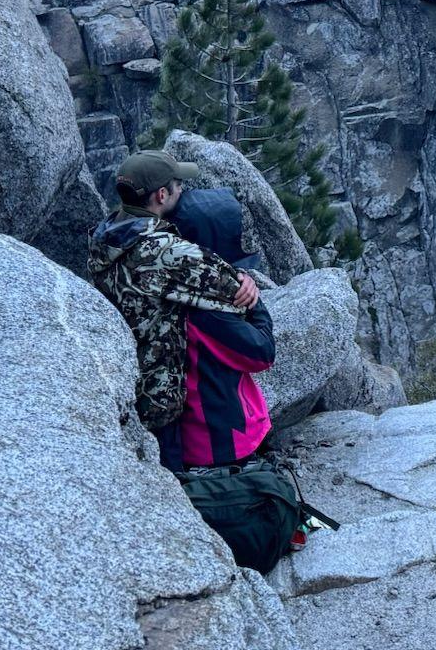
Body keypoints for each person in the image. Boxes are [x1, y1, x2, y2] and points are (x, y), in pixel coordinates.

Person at [88, 150, 316, 569]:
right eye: (178, 187)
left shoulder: (105, 236)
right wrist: (248, 284)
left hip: (133, 379)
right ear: (161, 195)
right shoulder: (167, 251)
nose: (183, 190)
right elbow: (238, 294)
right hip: (168, 396)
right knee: (191, 492)